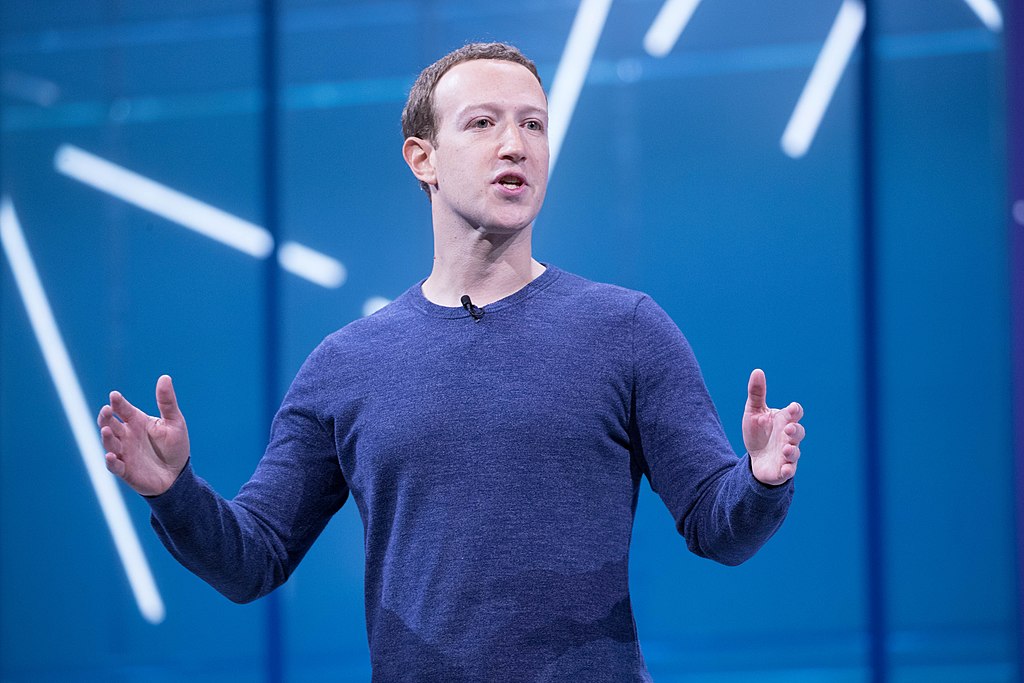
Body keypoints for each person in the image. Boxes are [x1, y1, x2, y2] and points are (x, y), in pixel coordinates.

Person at [97, 42, 805, 681]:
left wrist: (761, 480)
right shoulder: (347, 364)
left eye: (533, 124)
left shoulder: (626, 329)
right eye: (483, 123)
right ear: (422, 159)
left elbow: (718, 526)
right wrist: (174, 491)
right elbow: (254, 558)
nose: (516, 145)